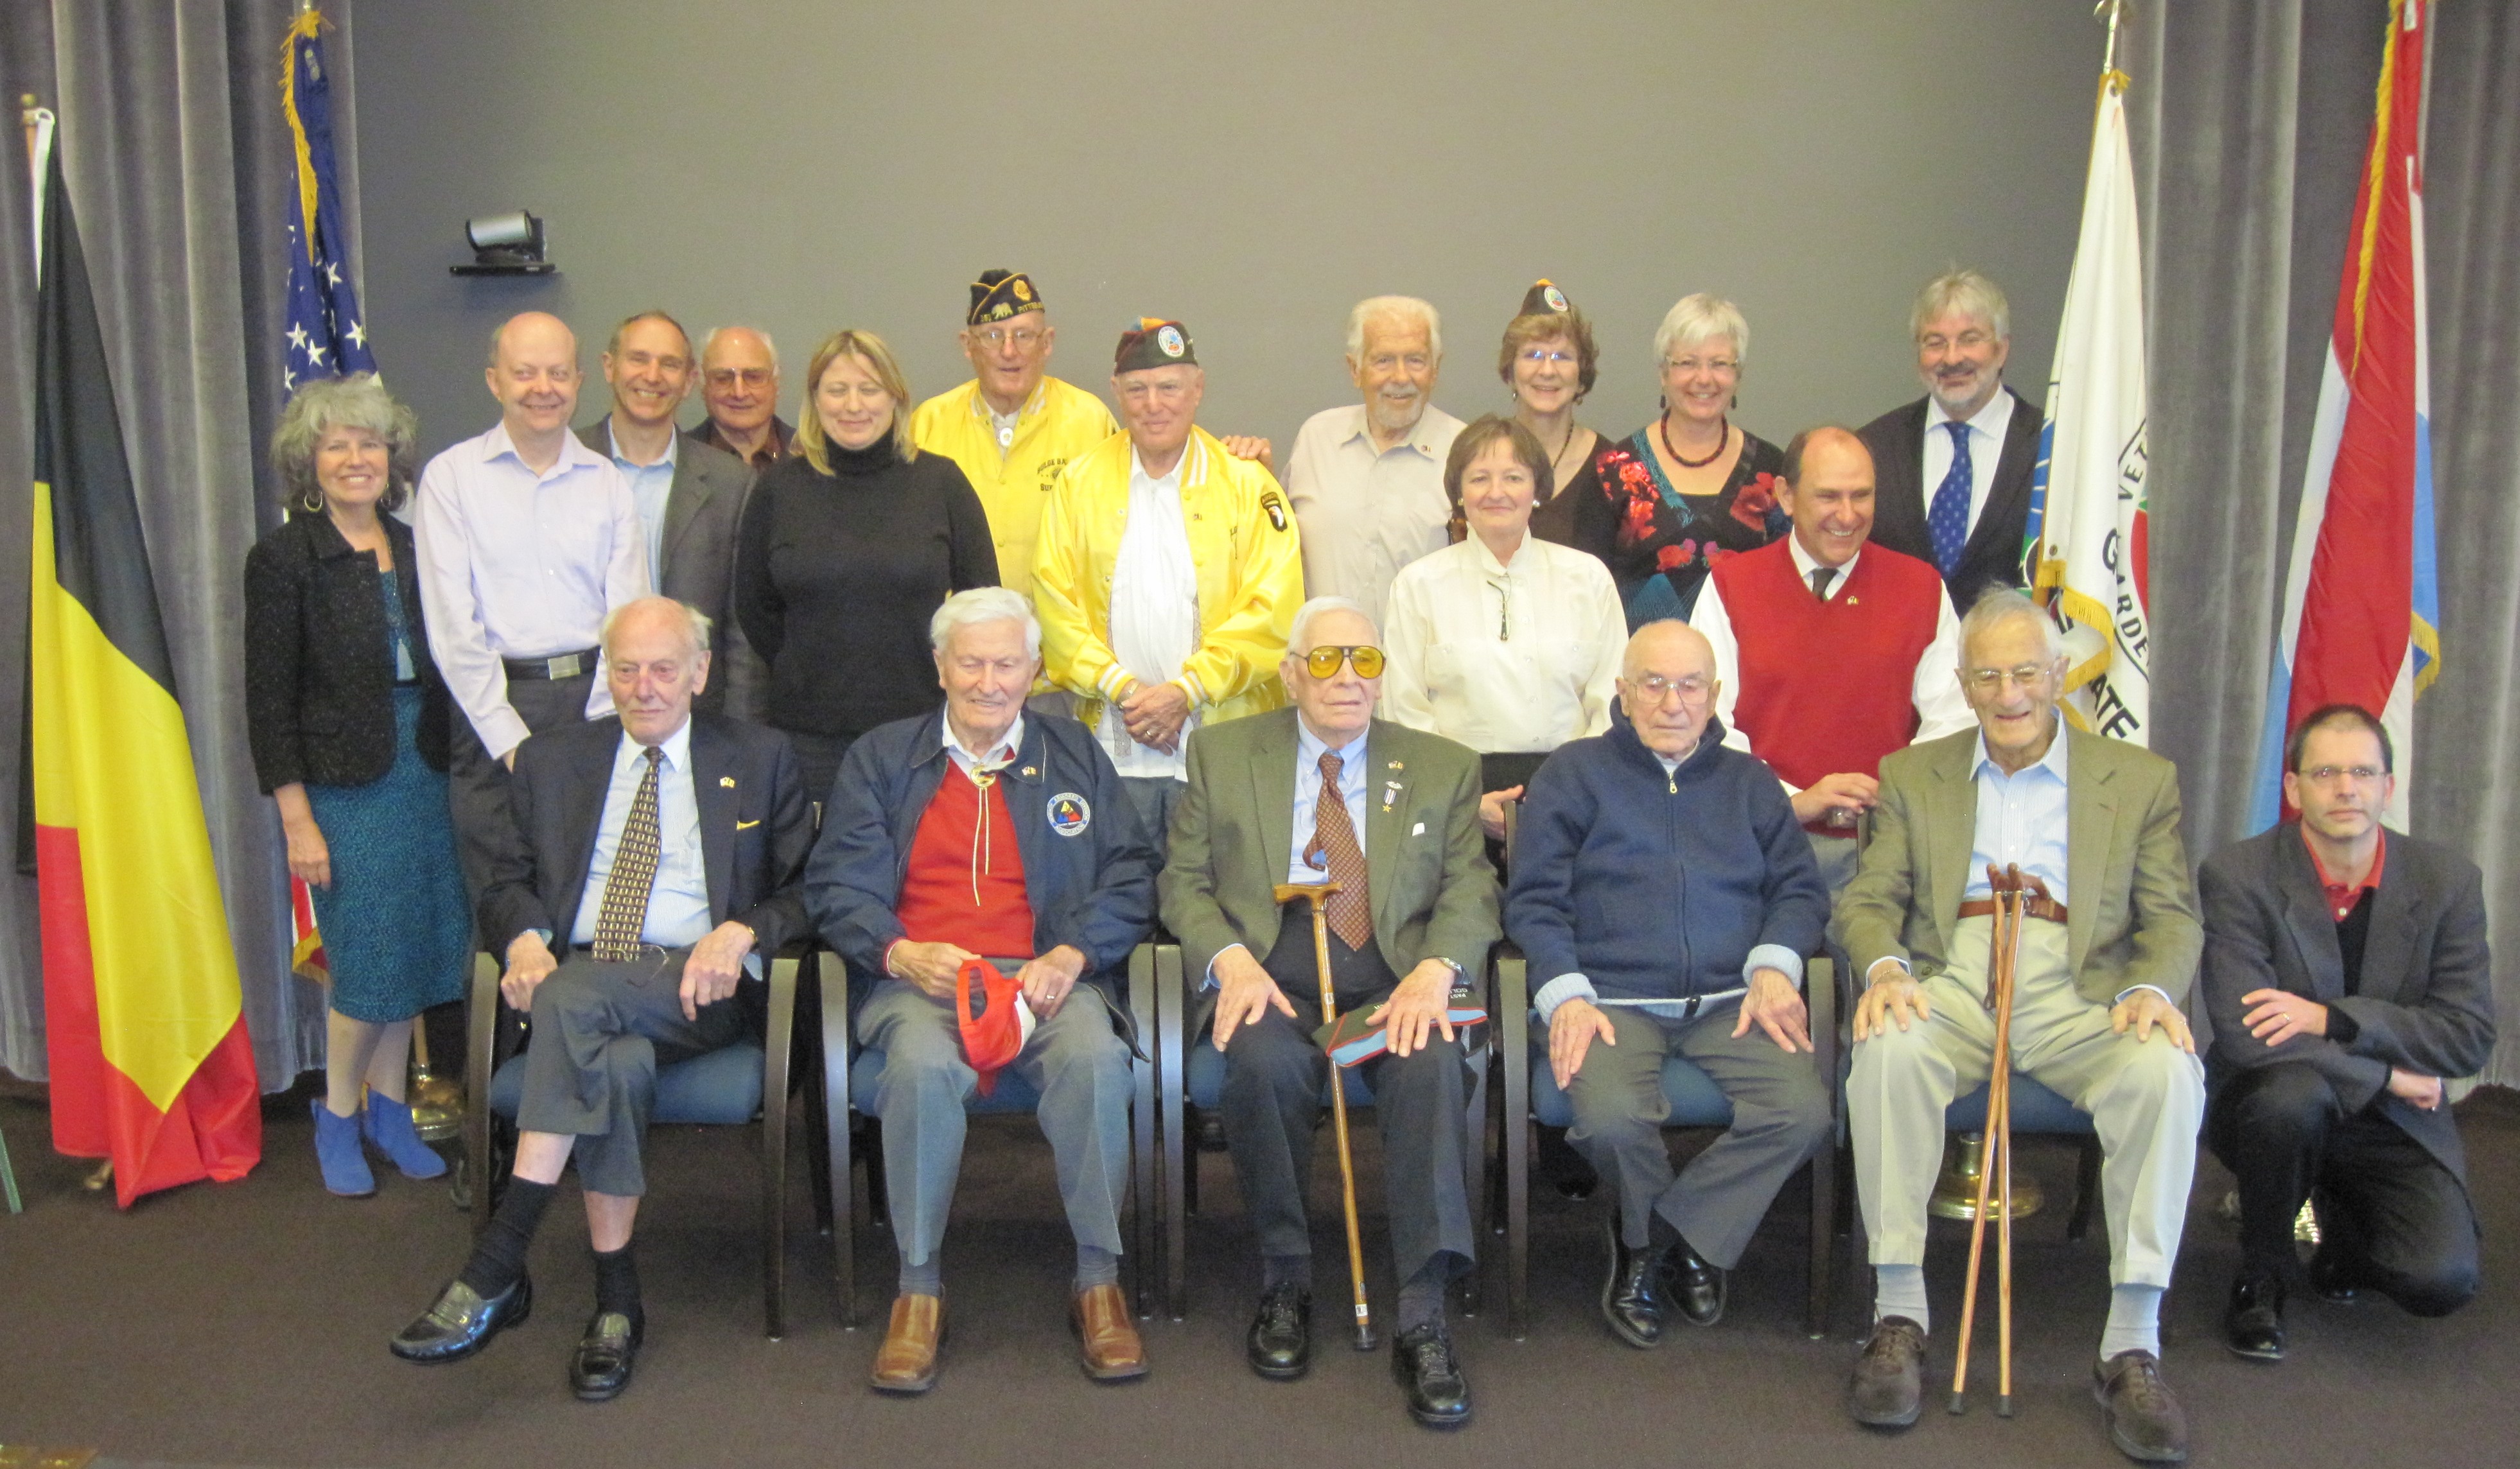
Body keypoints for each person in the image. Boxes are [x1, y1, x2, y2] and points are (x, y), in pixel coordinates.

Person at [388, 596, 812, 1402]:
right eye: (626, 669)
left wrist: (743, 933)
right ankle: (617, 1305)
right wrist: (520, 940)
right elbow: (505, 880)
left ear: (699, 673)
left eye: (662, 668)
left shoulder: (759, 755)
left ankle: (498, 1260)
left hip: (698, 983)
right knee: (607, 1055)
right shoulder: (554, 760)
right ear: (605, 675)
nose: (644, 687)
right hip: (579, 975)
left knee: (572, 1003)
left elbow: (806, 888)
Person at [1839, 588, 2204, 1465]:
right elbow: (1867, 899)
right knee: (1885, 1052)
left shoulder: (2139, 778)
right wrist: (1884, 968)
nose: (2010, 694)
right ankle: (1900, 1315)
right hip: (1952, 974)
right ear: (1963, 684)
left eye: (2028, 673)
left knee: (2166, 1074)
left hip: (2085, 985)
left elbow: (2172, 915)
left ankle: (2132, 1339)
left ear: (2061, 675)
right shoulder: (1910, 774)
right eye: (1990, 675)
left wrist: (2155, 986)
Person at [1159, 595, 1498, 1429]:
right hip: (1268, 979)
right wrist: (1229, 959)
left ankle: (1422, 1312)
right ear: (1289, 673)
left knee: (1431, 1062)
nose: (1347, 677)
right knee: (1264, 1061)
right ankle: (1286, 1276)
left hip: (1393, 986)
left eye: (1366, 661)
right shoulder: (1222, 753)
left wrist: (1435, 973)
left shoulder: (1443, 764)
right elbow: (1182, 881)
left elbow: (1471, 889)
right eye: (1326, 660)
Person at [807, 588, 1159, 1392]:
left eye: (1007, 663)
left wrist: (1075, 951)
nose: (989, 680)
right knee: (922, 1072)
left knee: (1098, 1060)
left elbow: (1133, 874)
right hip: (923, 980)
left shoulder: (1074, 755)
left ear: (1035, 670)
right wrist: (897, 951)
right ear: (939, 667)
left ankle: (1099, 1278)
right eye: (971, 661)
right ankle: (919, 1287)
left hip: (1045, 979)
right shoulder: (880, 758)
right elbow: (837, 886)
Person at [1507, 620, 1832, 1345]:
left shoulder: (1751, 782)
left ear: (1716, 695)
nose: (1672, 701)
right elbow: (1533, 900)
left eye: (1690, 685)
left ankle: (1675, 1234)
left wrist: (1776, 966)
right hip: (1610, 1000)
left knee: (1803, 1112)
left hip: (1733, 999)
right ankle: (1647, 1246)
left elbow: (1801, 892)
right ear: (1621, 692)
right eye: (1652, 683)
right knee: (1616, 1119)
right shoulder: (1574, 772)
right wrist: (1565, 993)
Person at [2198, 704, 2494, 1362]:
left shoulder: (2448, 882)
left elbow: (2470, 1035)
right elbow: (2248, 1037)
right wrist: (2386, 1072)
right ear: (2294, 786)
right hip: (2272, 1101)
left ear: (2389, 785)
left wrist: (2335, 1018)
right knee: (2293, 1096)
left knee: (2440, 1280)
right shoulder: (2238, 875)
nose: (2346, 788)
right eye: (2326, 771)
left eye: (2363, 771)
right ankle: (2263, 1274)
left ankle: (2345, 1241)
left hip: (2394, 1121)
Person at [244, 374, 470, 1198]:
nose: (354, 458)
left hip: (424, 769)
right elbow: (268, 705)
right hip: (343, 787)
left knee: (411, 949)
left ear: (392, 457)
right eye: (335, 444)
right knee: (370, 960)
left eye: (369, 443)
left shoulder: (416, 545)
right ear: (308, 461)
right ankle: (336, 1115)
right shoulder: (281, 561)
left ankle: (390, 1110)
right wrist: (298, 821)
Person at [1033, 317, 1304, 842]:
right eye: (1137, 389)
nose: (1153, 403)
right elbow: (1053, 603)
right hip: (1111, 751)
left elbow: (1275, 609)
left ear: (1198, 389)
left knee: (1219, 911)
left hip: (1223, 752)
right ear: (1116, 393)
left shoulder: (1247, 485)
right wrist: (1127, 690)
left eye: (1169, 387)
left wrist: (1187, 690)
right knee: (1117, 908)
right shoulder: (1078, 485)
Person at [415, 311, 649, 904]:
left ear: (578, 382)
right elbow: (451, 628)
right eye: (525, 373)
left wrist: (600, 729)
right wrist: (508, 737)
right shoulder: (451, 479)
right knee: (501, 903)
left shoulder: (608, 484)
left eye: (557, 373)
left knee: (590, 896)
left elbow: (631, 621)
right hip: (493, 704)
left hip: (595, 705)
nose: (543, 388)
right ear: (495, 381)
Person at [1690, 426, 1972, 895]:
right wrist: (1792, 803)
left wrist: (1895, 801)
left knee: (1882, 966)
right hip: (1762, 845)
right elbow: (1705, 720)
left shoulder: (1921, 588)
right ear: (1785, 495)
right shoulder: (1730, 586)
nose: (1847, 515)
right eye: (1828, 497)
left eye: (1861, 496)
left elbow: (1953, 722)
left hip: (1887, 848)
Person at [734, 328, 998, 803]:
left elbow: (985, 603)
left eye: (869, 389)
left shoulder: (941, 483)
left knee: (917, 873)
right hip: (807, 736)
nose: (853, 405)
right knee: (817, 872)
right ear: (815, 400)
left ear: (896, 398)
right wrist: (808, 667)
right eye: (837, 390)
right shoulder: (778, 490)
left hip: (920, 730)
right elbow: (754, 608)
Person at [1380, 415, 1623, 840]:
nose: (1496, 493)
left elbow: (1613, 701)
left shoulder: (1587, 578)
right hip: (1452, 803)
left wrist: (1577, 794)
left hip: (1576, 797)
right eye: (1479, 479)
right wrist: (1464, 806)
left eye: (1513, 477)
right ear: (1458, 492)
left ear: (1537, 489)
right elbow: (1404, 712)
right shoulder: (1417, 585)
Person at [1553, 294, 1788, 630]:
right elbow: (1585, 594)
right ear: (1663, 372)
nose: (1704, 379)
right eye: (1687, 363)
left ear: (1738, 376)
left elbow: (1790, 587)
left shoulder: (1771, 470)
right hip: (1638, 672)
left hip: (1744, 668)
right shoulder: (1615, 470)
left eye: (1720, 364)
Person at [577, 310, 758, 717]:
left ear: (690, 380)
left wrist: (740, 733)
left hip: (695, 714)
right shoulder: (565, 465)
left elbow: (742, 632)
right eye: (638, 359)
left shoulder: (732, 484)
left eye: (670, 364)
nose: (653, 376)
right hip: (584, 710)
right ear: (609, 367)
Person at [907, 270, 1117, 600]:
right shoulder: (929, 423)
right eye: (993, 336)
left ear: (1047, 343)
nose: (1009, 351)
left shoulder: (1090, 421)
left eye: (1023, 336)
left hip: (1061, 637)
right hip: (960, 639)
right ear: (968, 345)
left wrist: (1224, 455)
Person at [1857, 269, 2041, 613]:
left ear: (2002, 350)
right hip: (1902, 662)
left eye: (1970, 339)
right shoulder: (1873, 448)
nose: (1952, 358)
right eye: (1935, 342)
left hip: (2011, 662)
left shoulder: (2050, 448)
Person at [1282, 295, 1466, 632]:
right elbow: (1275, 550)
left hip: (1425, 676)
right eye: (1383, 361)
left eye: (1416, 360)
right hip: (1326, 675)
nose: (1401, 377)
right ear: (1355, 369)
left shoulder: (1467, 452)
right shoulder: (1315, 438)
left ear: (1436, 369)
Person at [1503, 281, 1619, 548]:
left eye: (1562, 357)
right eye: (1533, 355)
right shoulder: (1479, 459)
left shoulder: (1613, 469)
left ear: (1581, 377)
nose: (1547, 370)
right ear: (1510, 373)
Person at [693, 326, 792, 470]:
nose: (739, 393)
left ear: (776, 383)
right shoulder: (678, 460)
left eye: (753, 377)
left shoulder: (815, 457)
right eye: (723, 378)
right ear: (703, 386)